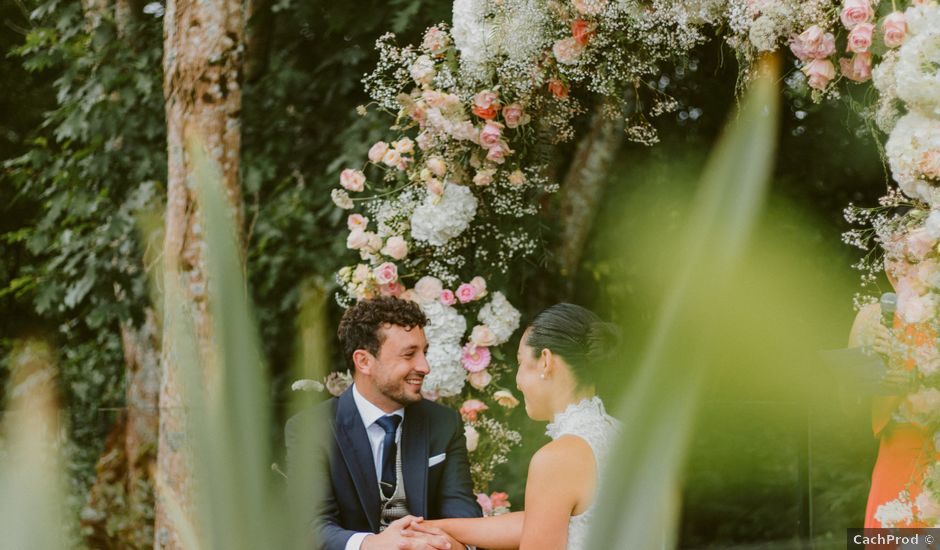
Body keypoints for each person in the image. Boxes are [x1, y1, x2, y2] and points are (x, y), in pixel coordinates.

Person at [406, 303, 621, 550]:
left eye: (520, 362)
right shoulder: (621, 433)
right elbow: (538, 522)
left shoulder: (557, 459)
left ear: (546, 361)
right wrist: (432, 528)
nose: (517, 383)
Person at [285, 297, 481, 550]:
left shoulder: (443, 423)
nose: (425, 366)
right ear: (364, 361)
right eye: (409, 354)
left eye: (424, 352)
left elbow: (463, 514)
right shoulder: (311, 429)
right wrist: (371, 544)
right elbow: (311, 526)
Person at [851, 257, 940, 528]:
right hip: (898, 456)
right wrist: (872, 368)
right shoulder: (872, 318)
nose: (899, 267)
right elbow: (847, 411)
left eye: (912, 258)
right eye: (892, 257)